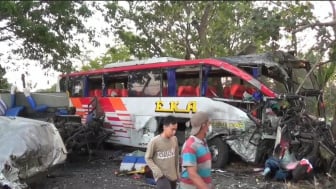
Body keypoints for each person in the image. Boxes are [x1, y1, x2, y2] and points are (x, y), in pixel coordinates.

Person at [179, 111, 212, 189]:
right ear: (203, 125)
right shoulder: (190, 146)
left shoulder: (203, 142)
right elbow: (192, 174)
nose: (209, 125)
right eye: (208, 123)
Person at [145, 115, 180, 189]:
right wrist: (157, 172)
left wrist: (177, 173)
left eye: (175, 130)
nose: (174, 132)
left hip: (173, 176)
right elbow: (148, 158)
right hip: (162, 177)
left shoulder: (174, 139)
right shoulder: (155, 141)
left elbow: (176, 157)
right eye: (172, 129)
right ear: (164, 127)